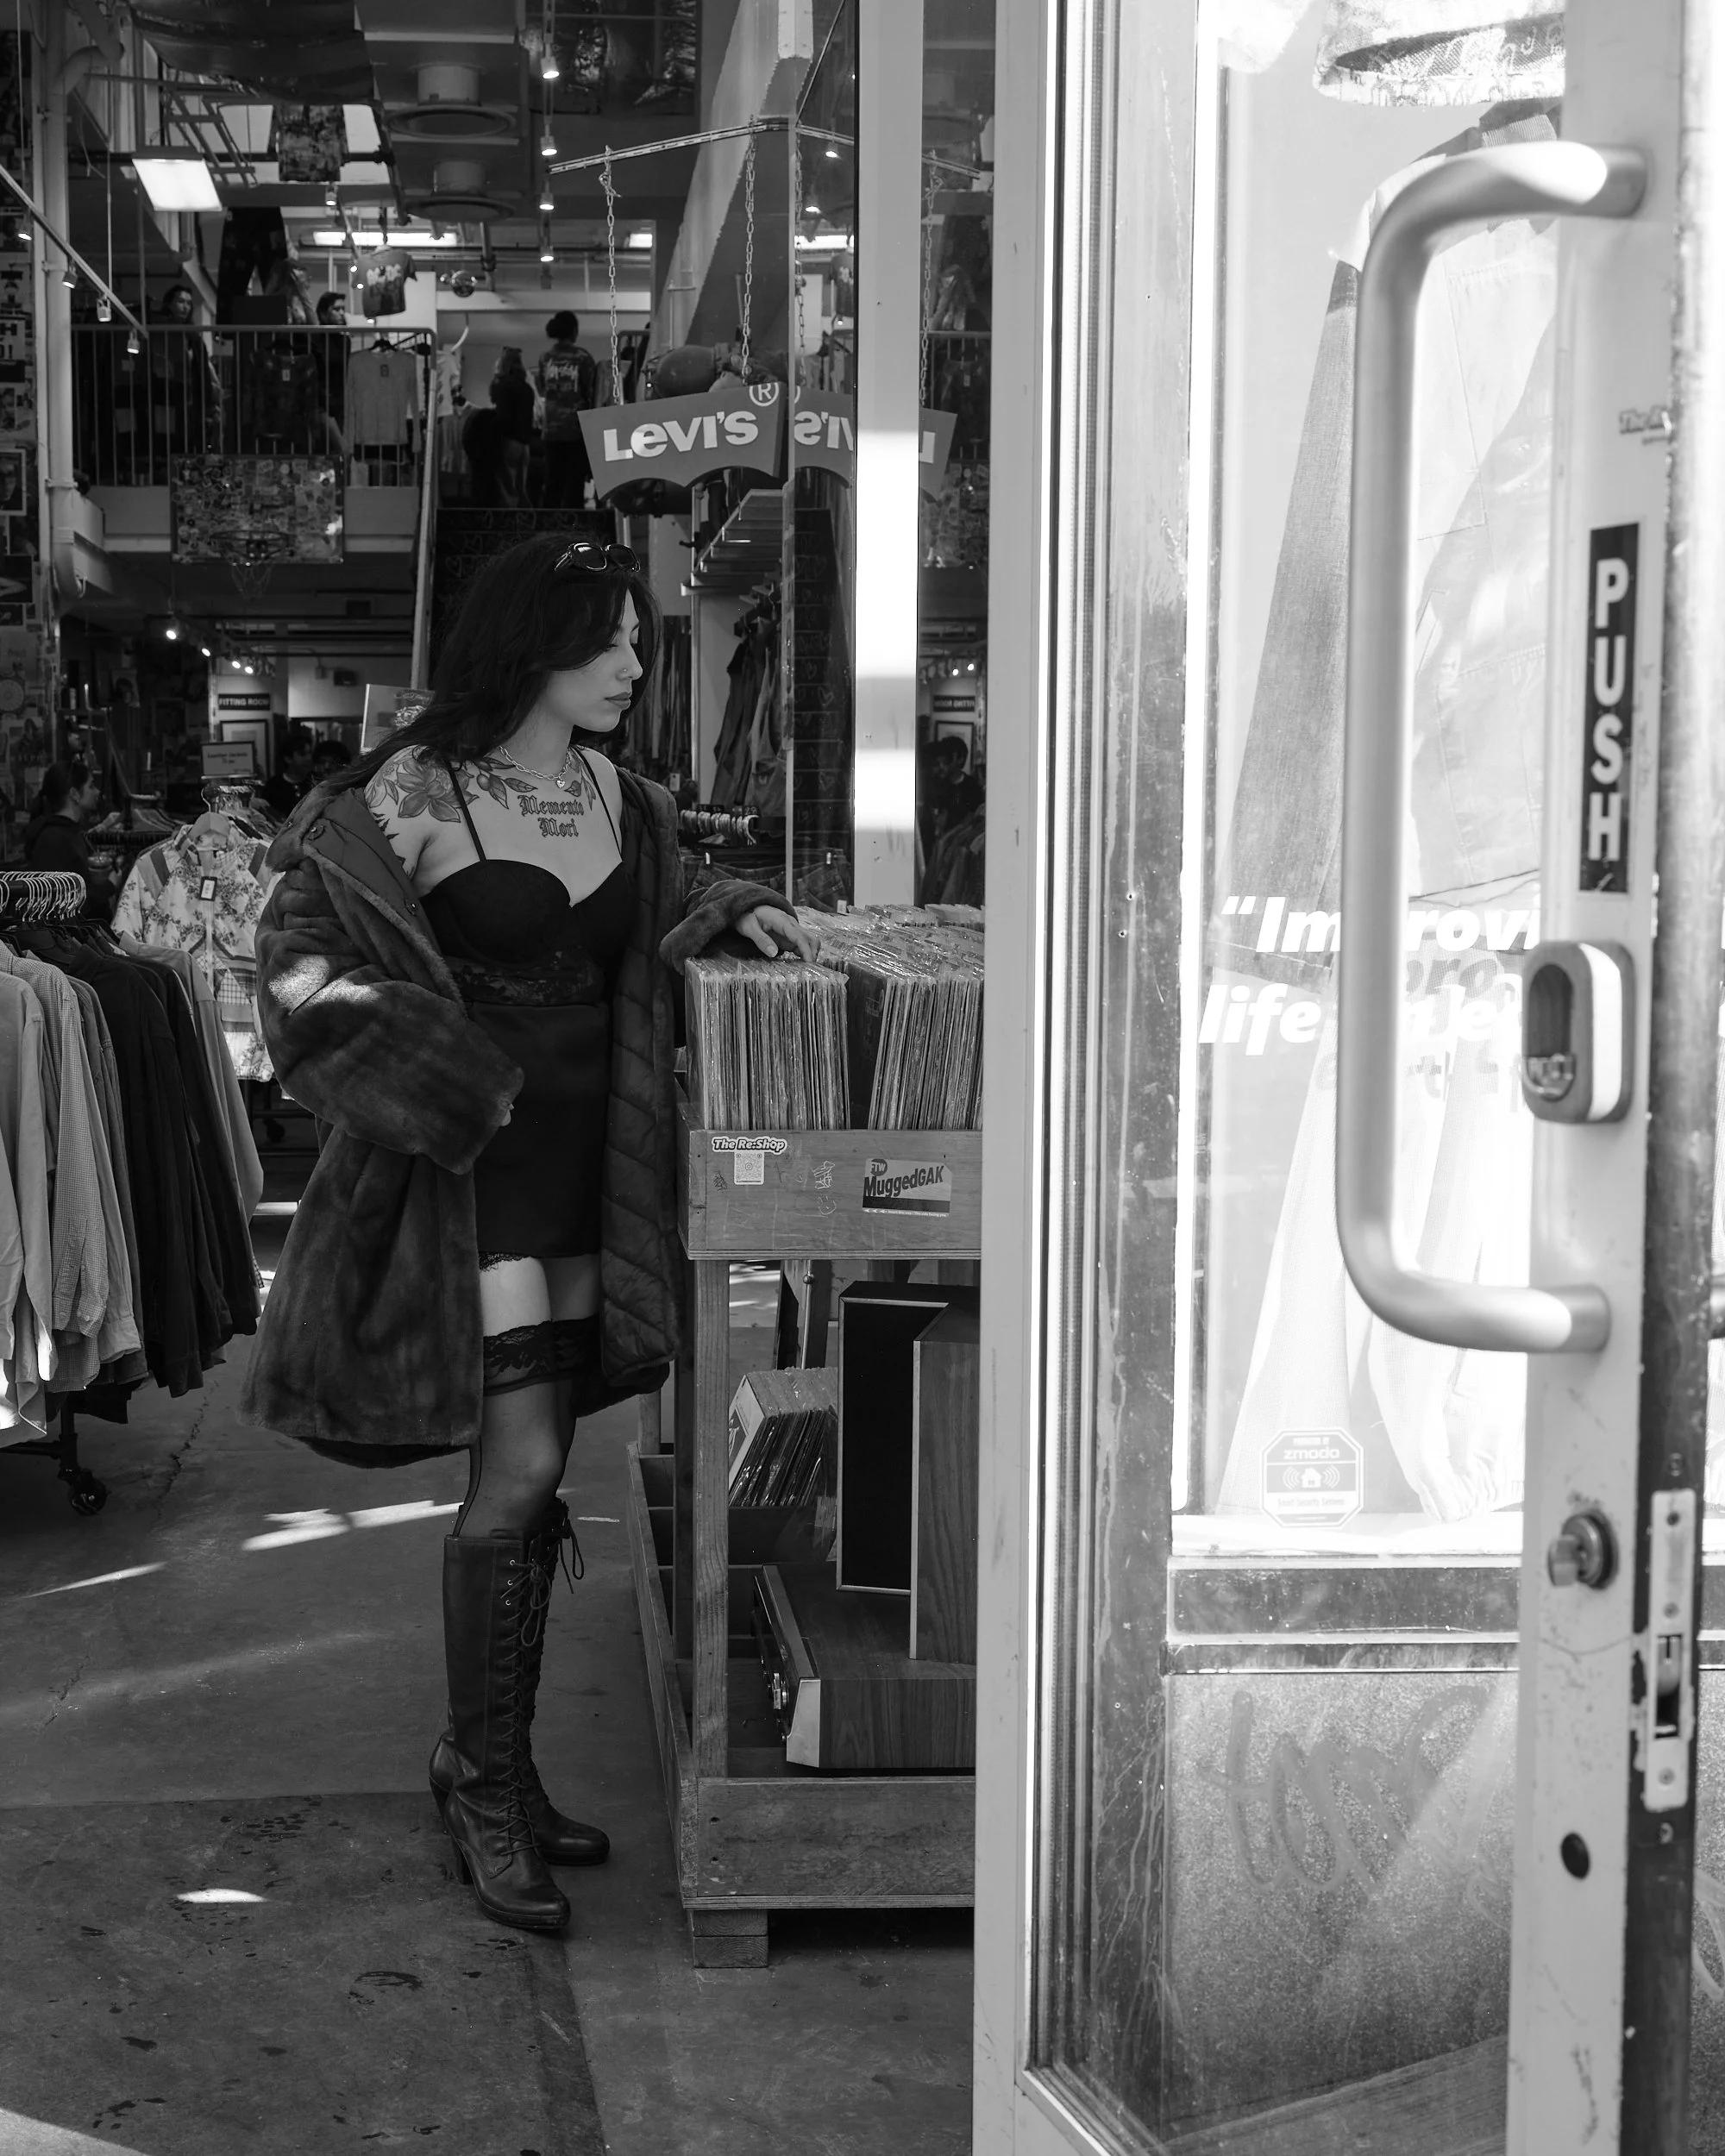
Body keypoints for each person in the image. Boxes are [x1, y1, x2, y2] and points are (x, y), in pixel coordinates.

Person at [240, 535, 812, 1936]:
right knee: (523, 1468)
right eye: (608, 637)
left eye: (638, 638)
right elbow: (297, 971)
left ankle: (488, 1763)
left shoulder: (629, 798)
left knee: (543, 1471)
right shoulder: (407, 793)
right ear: (532, 640)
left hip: (592, 1177)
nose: (632, 663)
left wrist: (734, 911)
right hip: (468, 1182)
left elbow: (658, 917)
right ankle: (485, 1789)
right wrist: (441, 1072)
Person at [22, 759, 113, 917]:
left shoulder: (71, 832)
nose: (97, 792)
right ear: (74, 794)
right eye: (91, 786)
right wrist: (108, 887)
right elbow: (62, 903)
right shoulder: (52, 841)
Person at [536, 312, 598, 509]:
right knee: (574, 481)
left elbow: (543, 388)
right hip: (576, 428)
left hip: (551, 428)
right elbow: (591, 391)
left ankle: (548, 520)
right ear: (573, 331)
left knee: (552, 479)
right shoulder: (582, 358)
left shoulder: (545, 358)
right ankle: (573, 522)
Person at [489, 348, 535, 506]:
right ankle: (526, 517)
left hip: (509, 439)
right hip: (525, 443)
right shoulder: (527, 388)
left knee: (507, 488)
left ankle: (510, 518)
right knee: (521, 488)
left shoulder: (502, 384)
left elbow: (499, 409)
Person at [314, 291, 348, 454]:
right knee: (340, 450)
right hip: (321, 404)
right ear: (323, 313)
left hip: (340, 403)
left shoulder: (344, 341)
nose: (341, 313)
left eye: (343, 309)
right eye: (336, 309)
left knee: (339, 452)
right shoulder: (315, 340)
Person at [260, 728, 316, 821]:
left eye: (310, 753)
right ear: (288, 759)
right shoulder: (273, 786)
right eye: (302, 754)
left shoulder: (316, 782)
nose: (309, 758)